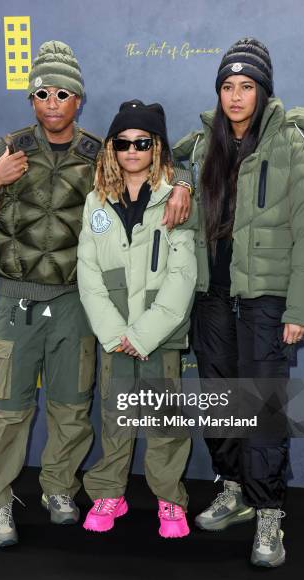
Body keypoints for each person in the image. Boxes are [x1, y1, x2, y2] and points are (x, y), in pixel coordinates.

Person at [0, 41, 191, 548]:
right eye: (42, 92)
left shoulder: (96, 154)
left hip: (75, 303)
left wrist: (185, 184)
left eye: (63, 92)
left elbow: (155, 167)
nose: (52, 101)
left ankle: (59, 488)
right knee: (10, 408)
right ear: (32, 99)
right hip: (17, 301)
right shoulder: (7, 148)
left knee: (71, 405)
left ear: (78, 99)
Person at [173, 38, 304, 566]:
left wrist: (301, 312)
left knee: (261, 409)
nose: (235, 96)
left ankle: (269, 514)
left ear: (263, 92)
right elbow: (153, 162)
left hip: (266, 300)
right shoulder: (203, 145)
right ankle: (234, 489)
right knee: (219, 401)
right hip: (213, 298)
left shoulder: (291, 145)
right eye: (226, 86)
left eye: (245, 86)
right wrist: (177, 181)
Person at [77, 100, 197, 538]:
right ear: (111, 148)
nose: (131, 150)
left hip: (159, 335)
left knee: (165, 421)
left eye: (141, 142)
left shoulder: (178, 200)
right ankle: (111, 492)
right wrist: (114, 333)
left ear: (156, 147)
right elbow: (87, 274)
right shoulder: (96, 201)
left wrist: (143, 333)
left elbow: (183, 278)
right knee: (114, 416)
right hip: (114, 335)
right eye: (123, 142)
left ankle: (169, 499)